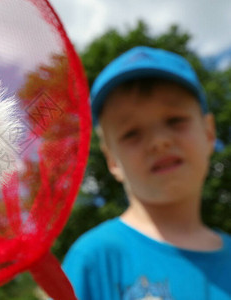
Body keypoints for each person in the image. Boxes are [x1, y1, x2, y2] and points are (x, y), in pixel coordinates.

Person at [62, 46, 231, 300]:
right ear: (112, 161)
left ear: (208, 133)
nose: (159, 141)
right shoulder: (94, 258)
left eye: (175, 120)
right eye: (131, 134)